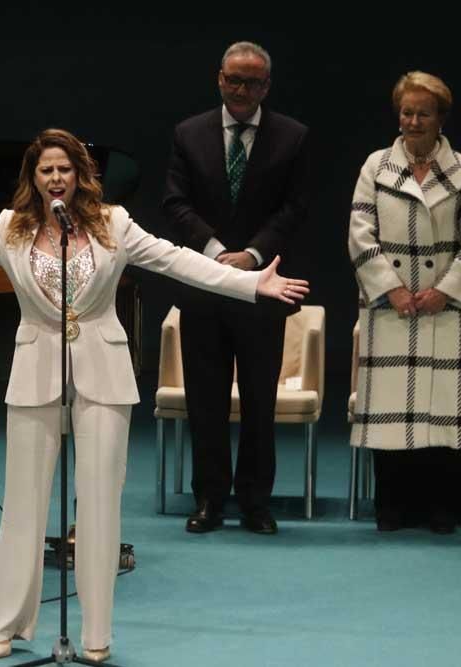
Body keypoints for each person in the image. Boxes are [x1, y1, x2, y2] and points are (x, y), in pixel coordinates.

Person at [0, 129, 308, 661]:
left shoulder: (113, 225)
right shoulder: (10, 229)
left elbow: (178, 260)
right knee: (23, 505)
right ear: (33, 177)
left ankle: (96, 636)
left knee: (100, 506)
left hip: (103, 370)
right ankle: (7, 626)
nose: (56, 179)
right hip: (34, 371)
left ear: (80, 176)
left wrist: (251, 283)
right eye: (46, 170)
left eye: (65, 170)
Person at [162, 41, 309, 535]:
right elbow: (175, 202)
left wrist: (251, 256)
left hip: (264, 290)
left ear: (267, 86)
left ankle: (255, 502)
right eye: (233, 80)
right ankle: (209, 499)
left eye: (252, 82)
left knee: (259, 403)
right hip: (204, 289)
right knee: (205, 401)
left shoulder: (292, 136)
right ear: (219, 78)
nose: (241, 90)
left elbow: (293, 208)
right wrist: (215, 253)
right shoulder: (189, 133)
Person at [348, 71, 461, 534]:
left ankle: (443, 508)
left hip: (447, 310)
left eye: (423, 113)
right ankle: (391, 507)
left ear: (440, 119)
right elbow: (359, 232)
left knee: (445, 410)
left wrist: (445, 291)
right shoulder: (376, 166)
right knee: (392, 409)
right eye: (406, 112)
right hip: (390, 308)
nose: (413, 121)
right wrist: (389, 287)